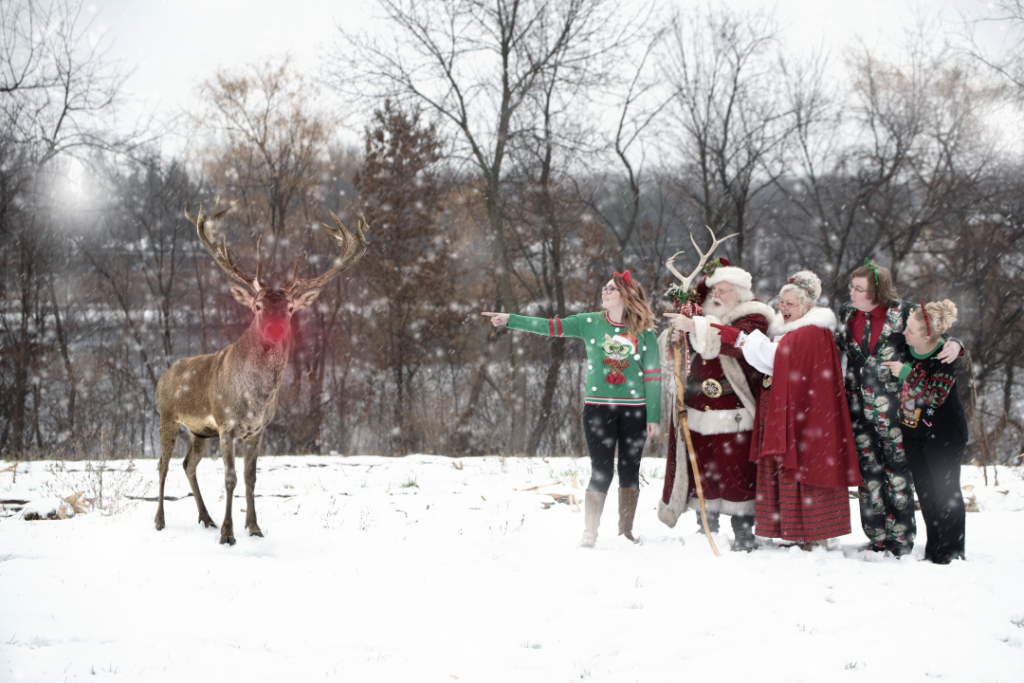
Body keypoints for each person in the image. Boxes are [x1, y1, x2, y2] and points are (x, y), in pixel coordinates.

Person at [481, 271, 661, 547]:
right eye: (604, 287)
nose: (605, 291)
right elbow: (550, 327)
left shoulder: (645, 332)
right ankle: (589, 532)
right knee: (601, 470)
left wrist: (654, 415)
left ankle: (625, 532)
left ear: (626, 295)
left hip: (635, 411)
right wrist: (510, 320)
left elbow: (652, 375)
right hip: (598, 408)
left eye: (611, 289)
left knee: (629, 471)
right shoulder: (588, 322)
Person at [708, 271, 862, 550]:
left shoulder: (810, 332)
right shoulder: (796, 333)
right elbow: (772, 359)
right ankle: (801, 532)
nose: (783, 307)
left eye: (791, 303)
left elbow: (773, 357)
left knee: (806, 468)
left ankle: (812, 534)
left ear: (806, 306)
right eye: (782, 301)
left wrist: (735, 336)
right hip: (798, 412)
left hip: (804, 415)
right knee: (799, 467)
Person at [835, 260, 962, 556]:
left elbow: (935, 339)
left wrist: (957, 343)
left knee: (898, 476)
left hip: (897, 411)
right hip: (858, 410)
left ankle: (901, 540)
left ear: (878, 292)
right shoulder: (846, 312)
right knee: (869, 477)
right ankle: (877, 538)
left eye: (859, 288)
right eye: (852, 286)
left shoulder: (904, 313)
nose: (851, 292)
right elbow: (835, 346)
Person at [659, 259, 774, 551]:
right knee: (705, 470)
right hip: (697, 408)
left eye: (724, 290)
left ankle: (743, 532)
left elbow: (732, 345)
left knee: (736, 472)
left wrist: (695, 324)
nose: (717, 296)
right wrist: (675, 336)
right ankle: (705, 525)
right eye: (714, 291)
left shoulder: (753, 318)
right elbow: (671, 354)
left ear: (739, 292)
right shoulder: (703, 317)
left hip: (733, 411)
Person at [882, 300, 968, 564]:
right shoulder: (907, 346)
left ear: (927, 336)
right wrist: (959, 341)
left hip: (945, 434)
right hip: (913, 433)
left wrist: (955, 345)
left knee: (946, 492)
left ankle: (951, 551)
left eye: (910, 330)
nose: (904, 333)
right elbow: (885, 335)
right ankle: (935, 548)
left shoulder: (944, 356)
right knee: (928, 495)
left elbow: (936, 396)